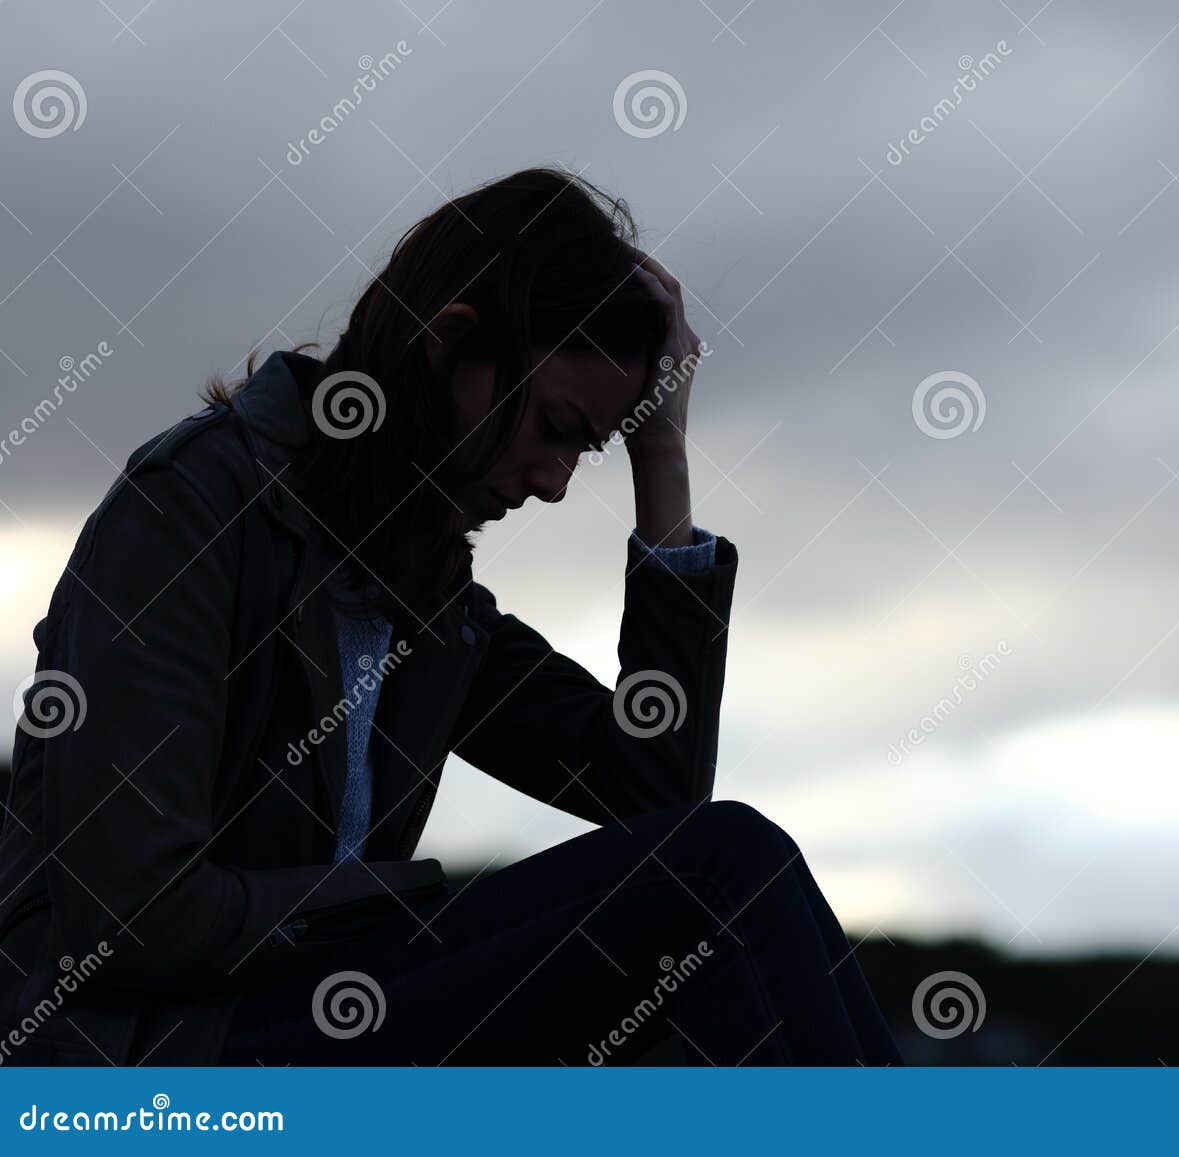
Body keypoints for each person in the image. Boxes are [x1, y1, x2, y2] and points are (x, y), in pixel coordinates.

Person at [0, 167, 901, 1066]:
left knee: (728, 874)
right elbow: (130, 917)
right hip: (141, 1059)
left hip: (319, 1026)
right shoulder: (189, 509)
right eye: (556, 426)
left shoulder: (425, 590)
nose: (554, 483)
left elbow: (652, 791)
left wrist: (659, 449)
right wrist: (396, 907)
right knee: (726, 866)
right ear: (450, 346)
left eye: (586, 450)